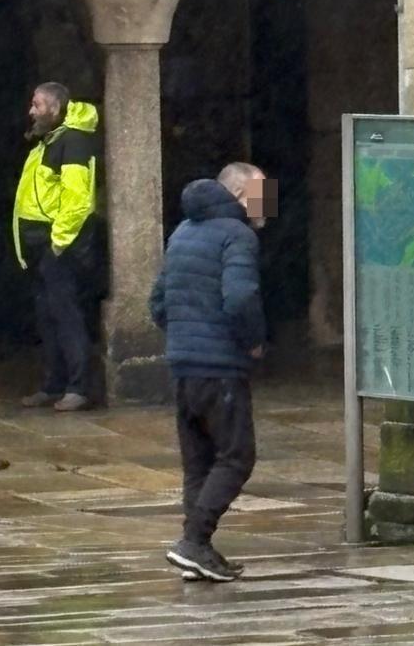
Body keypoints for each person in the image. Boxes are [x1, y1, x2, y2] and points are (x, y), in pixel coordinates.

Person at [150, 163, 269, 582]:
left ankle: (196, 553)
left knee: (198, 462)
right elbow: (241, 297)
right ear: (238, 193)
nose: (265, 203)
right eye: (260, 192)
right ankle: (194, 541)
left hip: (183, 364)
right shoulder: (237, 235)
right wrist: (252, 340)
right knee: (237, 456)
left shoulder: (183, 231)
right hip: (220, 366)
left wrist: (182, 335)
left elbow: (158, 301)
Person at [15, 82, 100, 412]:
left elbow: (77, 199)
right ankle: (53, 384)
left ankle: (78, 387)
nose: (31, 111)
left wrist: (59, 242)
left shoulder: (73, 141)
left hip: (58, 245)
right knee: (47, 316)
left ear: (55, 108)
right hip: (40, 245)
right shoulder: (48, 140)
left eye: (37, 105)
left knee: (66, 315)